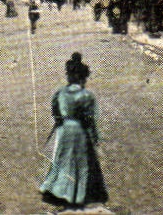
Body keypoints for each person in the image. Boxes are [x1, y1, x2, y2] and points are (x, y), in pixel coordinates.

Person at [40, 53, 107, 211]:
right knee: (82, 163)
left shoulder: (59, 93)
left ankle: (59, 191)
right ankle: (80, 195)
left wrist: (59, 120)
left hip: (64, 130)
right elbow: (90, 119)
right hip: (80, 130)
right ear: (82, 78)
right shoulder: (87, 95)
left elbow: (55, 111)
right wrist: (95, 136)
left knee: (63, 159)